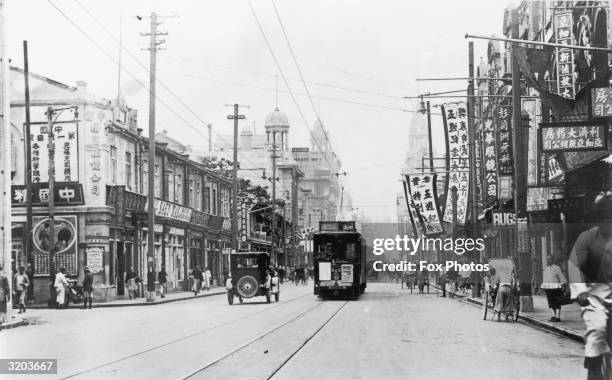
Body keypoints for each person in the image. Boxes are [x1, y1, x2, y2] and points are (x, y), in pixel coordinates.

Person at [567, 190, 612, 379]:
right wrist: (580, 292)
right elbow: (574, 265)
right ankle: (594, 372)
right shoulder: (587, 238)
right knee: (597, 332)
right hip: (596, 296)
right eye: (604, 215)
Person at [541, 255, 567, 322]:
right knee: (550, 302)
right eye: (547, 259)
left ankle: (557, 317)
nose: (548, 261)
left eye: (550, 259)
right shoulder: (546, 269)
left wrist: (563, 285)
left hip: (556, 287)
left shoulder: (557, 268)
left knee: (557, 302)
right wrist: (543, 287)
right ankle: (553, 316)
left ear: (553, 260)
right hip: (548, 288)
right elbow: (545, 279)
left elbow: (561, 277)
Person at [0, 264, 10, 328]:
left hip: (1, 294)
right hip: (1, 294)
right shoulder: (4, 277)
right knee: (2, 308)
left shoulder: (3, 277)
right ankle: (1, 319)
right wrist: (8, 295)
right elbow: (7, 287)